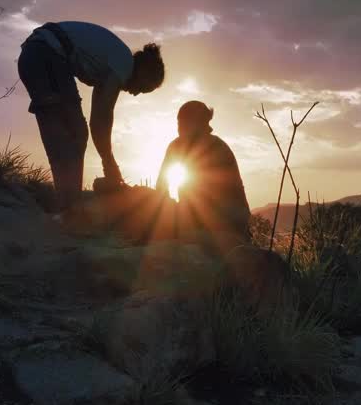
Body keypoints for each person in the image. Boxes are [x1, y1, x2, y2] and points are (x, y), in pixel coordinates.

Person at [17, 21, 165, 214]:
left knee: (71, 131)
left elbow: (97, 121)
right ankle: (69, 208)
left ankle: (67, 204)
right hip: (46, 56)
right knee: (72, 132)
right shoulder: (123, 65)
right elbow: (104, 118)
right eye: (144, 88)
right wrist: (110, 163)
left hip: (35, 56)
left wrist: (107, 162)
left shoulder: (111, 65)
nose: (137, 94)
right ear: (144, 72)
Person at [156, 101, 251, 242]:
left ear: (200, 124)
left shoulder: (218, 149)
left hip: (227, 225)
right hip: (205, 222)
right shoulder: (176, 146)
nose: (179, 128)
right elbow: (161, 186)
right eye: (179, 124)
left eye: (183, 124)